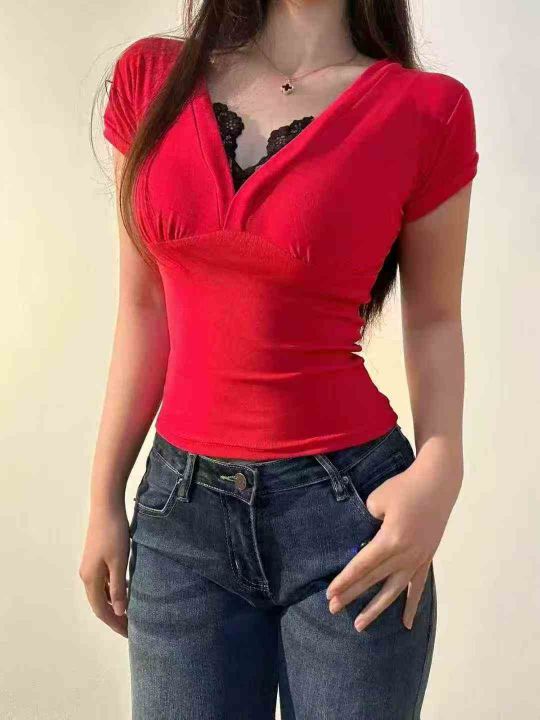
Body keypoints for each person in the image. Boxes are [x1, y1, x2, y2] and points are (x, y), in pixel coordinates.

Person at [79, 0, 479, 716]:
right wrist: (104, 495)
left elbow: (435, 319)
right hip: (178, 521)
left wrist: (442, 464)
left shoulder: (427, 111)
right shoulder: (151, 79)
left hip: (350, 519)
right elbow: (143, 308)